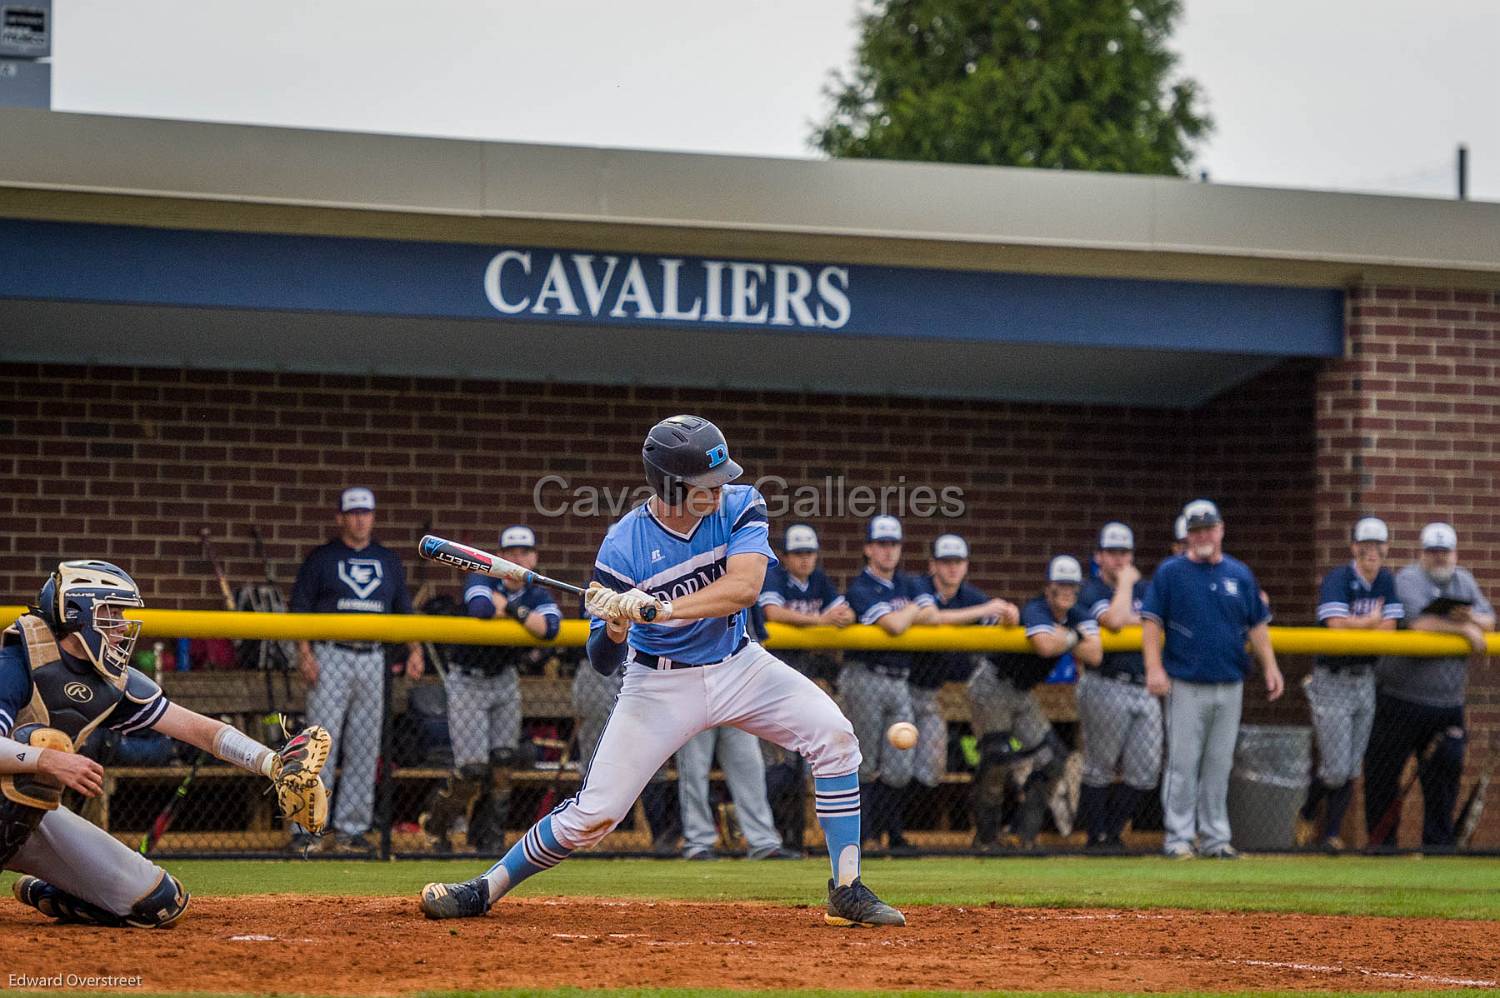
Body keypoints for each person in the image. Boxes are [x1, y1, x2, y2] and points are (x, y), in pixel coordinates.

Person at [420, 415, 904, 926]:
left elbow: (744, 588)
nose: (720, 491)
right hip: (660, 683)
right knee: (595, 815)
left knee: (835, 736)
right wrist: (614, 625)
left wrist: (665, 607)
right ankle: (485, 888)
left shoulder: (742, 504)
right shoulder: (621, 547)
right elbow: (601, 662)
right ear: (671, 487)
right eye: (705, 485)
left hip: (740, 664)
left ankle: (846, 888)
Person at [3, 561, 328, 927]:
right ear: (78, 614)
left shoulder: (109, 680)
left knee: (157, 903)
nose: (122, 625)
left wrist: (272, 764)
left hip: (28, 819)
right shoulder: (17, 659)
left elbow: (198, 730)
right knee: (45, 746)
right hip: (8, 796)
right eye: (111, 612)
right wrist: (45, 759)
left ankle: (49, 892)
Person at [1141, 499, 1284, 859]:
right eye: (1196, 530)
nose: (1203, 535)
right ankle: (1178, 837)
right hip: (1186, 683)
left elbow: (1257, 625)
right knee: (1183, 763)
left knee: (1219, 764)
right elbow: (1151, 622)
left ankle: (1216, 839)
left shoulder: (1239, 574)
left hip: (1230, 681)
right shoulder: (1171, 572)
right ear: (1188, 535)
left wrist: (1270, 666)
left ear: (1220, 530)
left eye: (1209, 528)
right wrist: (1154, 668)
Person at [290, 486, 423, 854]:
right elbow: (299, 609)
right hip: (330, 654)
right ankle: (307, 826)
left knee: (366, 746)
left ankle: (352, 828)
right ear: (340, 518)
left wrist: (414, 650)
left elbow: (404, 610)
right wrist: (305, 653)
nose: (360, 518)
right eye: (353, 513)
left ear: (373, 516)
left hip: (373, 658)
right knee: (320, 743)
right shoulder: (322, 558)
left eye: (366, 512)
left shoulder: (388, 559)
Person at [421, 525, 561, 853]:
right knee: (472, 770)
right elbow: (481, 609)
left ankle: (488, 838)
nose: (518, 559)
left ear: (534, 557)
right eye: (511, 554)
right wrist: (523, 617)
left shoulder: (537, 592)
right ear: (499, 557)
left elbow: (550, 629)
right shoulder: (481, 577)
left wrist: (512, 608)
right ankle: (436, 826)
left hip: (504, 680)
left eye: (524, 553)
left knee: (502, 766)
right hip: (469, 679)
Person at [1364, 521, 1493, 850]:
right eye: (1432, 551)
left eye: (1444, 551)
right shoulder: (1408, 578)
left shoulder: (1464, 580)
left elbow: (1488, 619)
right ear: (1422, 553)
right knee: (1384, 775)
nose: (1439, 557)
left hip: (1446, 703)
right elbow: (1416, 621)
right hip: (1400, 698)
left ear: (1455, 553)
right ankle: (1383, 849)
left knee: (1445, 776)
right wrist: (1463, 628)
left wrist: (1469, 621)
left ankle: (1438, 848)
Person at [969, 555, 1101, 850]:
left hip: (1022, 692)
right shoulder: (1036, 607)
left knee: (1054, 760)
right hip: (992, 684)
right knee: (997, 758)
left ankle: (1022, 834)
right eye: (1060, 585)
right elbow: (1044, 645)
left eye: (1072, 586)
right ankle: (986, 838)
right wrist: (1075, 637)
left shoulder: (1077, 613)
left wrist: (1067, 636)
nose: (1067, 591)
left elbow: (1096, 654)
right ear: (1049, 587)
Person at [1297, 516, 1403, 852]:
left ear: (1386, 548)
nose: (1372, 552)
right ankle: (1309, 812)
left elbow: (1390, 629)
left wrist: (1362, 624)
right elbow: (1335, 626)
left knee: (1351, 766)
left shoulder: (1386, 580)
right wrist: (1370, 622)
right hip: (1333, 678)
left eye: (1378, 546)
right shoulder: (1339, 578)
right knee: (1335, 768)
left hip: (1365, 679)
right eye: (1365, 546)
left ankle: (1331, 836)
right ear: (1354, 547)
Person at [840, 515, 939, 852]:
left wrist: (908, 611)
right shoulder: (860, 587)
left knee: (899, 765)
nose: (888, 551)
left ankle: (893, 836)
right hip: (865, 676)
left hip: (900, 682)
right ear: (868, 549)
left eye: (893, 544)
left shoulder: (907, 584)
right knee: (865, 763)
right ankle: (865, 837)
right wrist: (912, 611)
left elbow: (932, 613)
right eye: (881, 544)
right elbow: (895, 625)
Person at [757, 522, 853, 850]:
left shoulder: (819, 580)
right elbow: (771, 611)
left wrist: (834, 618)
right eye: (797, 553)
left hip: (805, 680)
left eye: (809, 553)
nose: (804, 560)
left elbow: (846, 612)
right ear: (784, 556)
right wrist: (821, 621)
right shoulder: (775, 577)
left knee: (798, 765)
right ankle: (765, 827)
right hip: (771, 678)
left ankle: (791, 835)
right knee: (778, 764)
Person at [916, 533, 1019, 839]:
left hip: (965, 697)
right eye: (945, 562)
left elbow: (1003, 622)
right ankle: (892, 831)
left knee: (989, 758)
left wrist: (1009, 616)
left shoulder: (972, 596)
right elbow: (931, 618)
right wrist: (984, 610)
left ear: (966, 566)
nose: (951, 569)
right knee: (912, 770)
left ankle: (988, 829)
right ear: (933, 565)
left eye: (957, 562)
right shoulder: (919, 589)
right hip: (921, 690)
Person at [571, 597, 680, 855]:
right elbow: (600, 645)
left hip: (647, 668)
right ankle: (584, 837)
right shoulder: (604, 582)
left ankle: (659, 837)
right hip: (598, 674)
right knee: (594, 759)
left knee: (653, 762)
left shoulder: (660, 575)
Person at [1076, 522, 1161, 850]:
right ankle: (1096, 836)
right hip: (1105, 684)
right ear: (1098, 556)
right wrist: (1125, 583)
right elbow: (1112, 620)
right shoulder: (1090, 590)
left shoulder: (1148, 590)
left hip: (1144, 686)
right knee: (1100, 766)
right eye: (1111, 553)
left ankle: (1113, 831)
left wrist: (1134, 612)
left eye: (1124, 553)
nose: (1119, 560)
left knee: (1146, 770)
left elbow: (1159, 620)